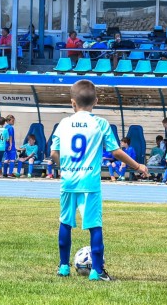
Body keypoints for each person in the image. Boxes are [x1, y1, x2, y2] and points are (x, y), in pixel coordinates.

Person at [53, 79, 148, 280]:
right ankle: (96, 271)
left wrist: (63, 168)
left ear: (72, 103)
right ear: (96, 101)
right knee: (94, 225)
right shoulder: (101, 123)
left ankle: (63, 266)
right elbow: (116, 152)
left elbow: (54, 152)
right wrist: (138, 166)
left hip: (68, 180)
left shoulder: (63, 123)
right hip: (90, 182)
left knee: (65, 222)